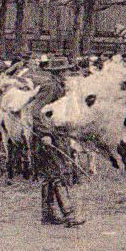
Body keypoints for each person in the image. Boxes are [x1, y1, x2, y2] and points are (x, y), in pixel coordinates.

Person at [35, 59, 85, 227]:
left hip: (57, 135)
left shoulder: (59, 87)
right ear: (59, 72)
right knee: (59, 173)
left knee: (50, 176)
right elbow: (36, 112)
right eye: (66, 71)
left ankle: (47, 214)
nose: (68, 74)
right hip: (50, 137)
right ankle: (69, 214)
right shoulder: (51, 87)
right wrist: (45, 134)